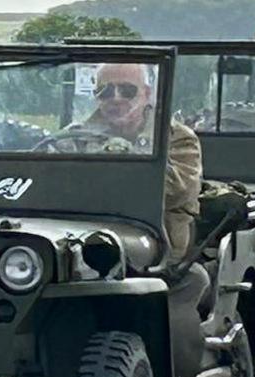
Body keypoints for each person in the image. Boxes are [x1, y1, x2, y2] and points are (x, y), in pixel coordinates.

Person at [74, 63, 202, 264]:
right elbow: (50, 183)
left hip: (156, 247)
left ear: (146, 93)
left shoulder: (176, 137)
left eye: (127, 91)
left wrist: (125, 156)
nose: (116, 98)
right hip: (83, 242)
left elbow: (178, 191)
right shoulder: (76, 136)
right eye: (105, 91)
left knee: (194, 281)